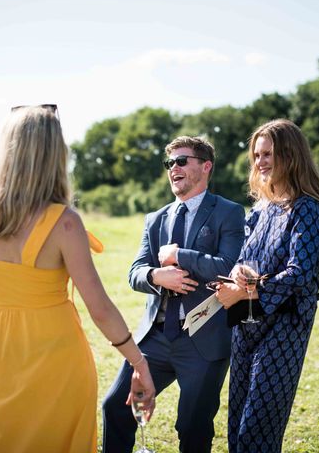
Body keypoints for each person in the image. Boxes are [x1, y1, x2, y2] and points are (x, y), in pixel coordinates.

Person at [0, 105, 155, 453]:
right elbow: (100, 308)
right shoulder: (64, 222)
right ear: (54, 155)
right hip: (57, 356)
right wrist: (138, 361)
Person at [103, 136, 245, 453]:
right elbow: (135, 272)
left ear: (205, 166)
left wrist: (181, 255)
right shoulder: (155, 220)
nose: (174, 169)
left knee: (193, 428)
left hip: (204, 340)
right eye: (170, 163)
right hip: (155, 339)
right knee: (115, 407)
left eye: (182, 161)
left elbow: (230, 266)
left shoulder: (229, 212)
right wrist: (156, 274)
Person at [215, 119, 319, 453]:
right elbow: (245, 255)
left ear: (290, 155)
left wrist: (249, 291)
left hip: (284, 327)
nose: (260, 161)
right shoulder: (262, 207)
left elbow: (301, 273)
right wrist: (238, 273)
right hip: (246, 322)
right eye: (256, 155)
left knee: (258, 429)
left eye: (268, 154)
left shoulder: (307, 209)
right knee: (236, 424)